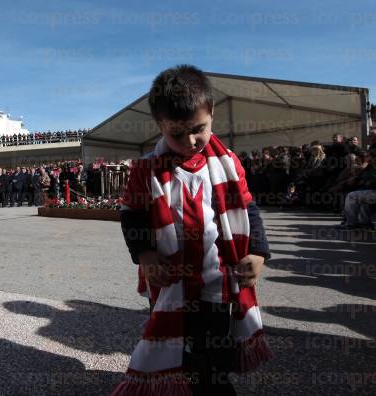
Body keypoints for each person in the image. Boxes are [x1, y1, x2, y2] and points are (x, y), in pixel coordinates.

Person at [113, 65, 271, 396]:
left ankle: (213, 384)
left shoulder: (229, 161)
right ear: (159, 126)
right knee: (174, 343)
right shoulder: (145, 169)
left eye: (198, 129)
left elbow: (248, 208)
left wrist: (257, 251)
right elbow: (133, 215)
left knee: (213, 344)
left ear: (212, 112)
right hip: (168, 280)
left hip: (216, 277)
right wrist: (145, 253)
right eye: (176, 133)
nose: (190, 141)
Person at [339, 143, 376, 229]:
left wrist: (368, 185)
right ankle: (365, 223)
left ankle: (351, 223)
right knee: (362, 196)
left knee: (351, 196)